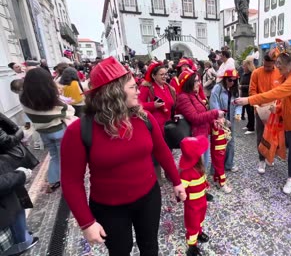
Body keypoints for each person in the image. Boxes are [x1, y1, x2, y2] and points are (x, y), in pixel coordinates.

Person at [60, 57, 186, 255]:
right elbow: (71, 181)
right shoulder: (79, 130)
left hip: (148, 198)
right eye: (132, 87)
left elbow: (161, 150)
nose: (138, 91)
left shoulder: (144, 117)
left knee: (150, 246)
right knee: (120, 251)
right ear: (114, 92)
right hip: (109, 209)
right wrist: (86, 222)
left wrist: (177, 182)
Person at [236, 50, 291, 194]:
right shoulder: (286, 76)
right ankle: (290, 178)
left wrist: (248, 100)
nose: (277, 66)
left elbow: (275, 93)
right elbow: (288, 99)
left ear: (290, 65)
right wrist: (278, 107)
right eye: (277, 62)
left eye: (280, 63)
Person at [20, 68, 75, 193]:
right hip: (58, 131)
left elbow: (31, 116)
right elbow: (69, 110)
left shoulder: (25, 99)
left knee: (54, 156)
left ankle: (53, 181)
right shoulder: (51, 98)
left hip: (43, 132)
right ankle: (66, 182)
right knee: (64, 158)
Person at [175, 68, 225, 192]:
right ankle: (197, 190)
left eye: (198, 80)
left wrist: (212, 119)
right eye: (196, 81)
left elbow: (202, 114)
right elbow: (195, 118)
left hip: (202, 135)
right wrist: (214, 113)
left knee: (203, 164)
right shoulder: (183, 98)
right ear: (189, 83)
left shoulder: (193, 95)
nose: (199, 83)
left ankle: (202, 187)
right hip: (195, 138)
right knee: (197, 166)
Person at [0, 113, 39, 255]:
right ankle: (21, 242)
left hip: (6, 170)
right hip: (6, 171)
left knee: (16, 205)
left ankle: (21, 238)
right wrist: (20, 133)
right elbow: (4, 140)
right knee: (13, 207)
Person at [249, 53, 282, 173]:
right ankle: (261, 160)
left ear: (274, 63)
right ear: (263, 62)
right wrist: (257, 105)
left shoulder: (279, 72)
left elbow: (282, 89)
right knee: (261, 135)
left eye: (270, 66)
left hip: (275, 109)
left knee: (274, 136)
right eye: (266, 66)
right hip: (261, 109)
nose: (268, 68)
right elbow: (252, 90)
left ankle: (270, 156)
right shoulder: (256, 73)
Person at [179, 136, 210, 256]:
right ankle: (192, 245)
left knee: (200, 219)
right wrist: (181, 195)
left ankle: (199, 232)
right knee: (192, 224)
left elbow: (202, 180)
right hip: (192, 205)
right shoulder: (186, 173)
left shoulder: (199, 167)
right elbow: (181, 189)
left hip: (202, 201)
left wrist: (205, 186)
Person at [210, 69, 242, 172]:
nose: (232, 82)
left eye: (234, 80)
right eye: (230, 80)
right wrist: (222, 120)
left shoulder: (235, 89)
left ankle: (229, 164)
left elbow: (238, 103)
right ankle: (216, 169)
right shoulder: (217, 89)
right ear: (224, 79)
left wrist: (238, 113)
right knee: (218, 143)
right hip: (219, 121)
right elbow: (214, 106)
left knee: (231, 142)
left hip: (230, 120)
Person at [139, 63, 176, 131]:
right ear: (153, 76)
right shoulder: (147, 88)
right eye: (161, 74)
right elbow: (138, 105)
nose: (165, 76)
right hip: (155, 127)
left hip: (169, 126)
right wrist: (153, 105)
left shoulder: (169, 88)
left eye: (166, 74)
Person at [240, 59, 256, 134]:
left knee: (250, 112)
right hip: (244, 95)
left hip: (249, 96)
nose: (243, 67)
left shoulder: (252, 74)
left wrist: (242, 86)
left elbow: (251, 86)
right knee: (248, 111)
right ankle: (248, 124)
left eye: (244, 66)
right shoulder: (244, 74)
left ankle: (251, 128)